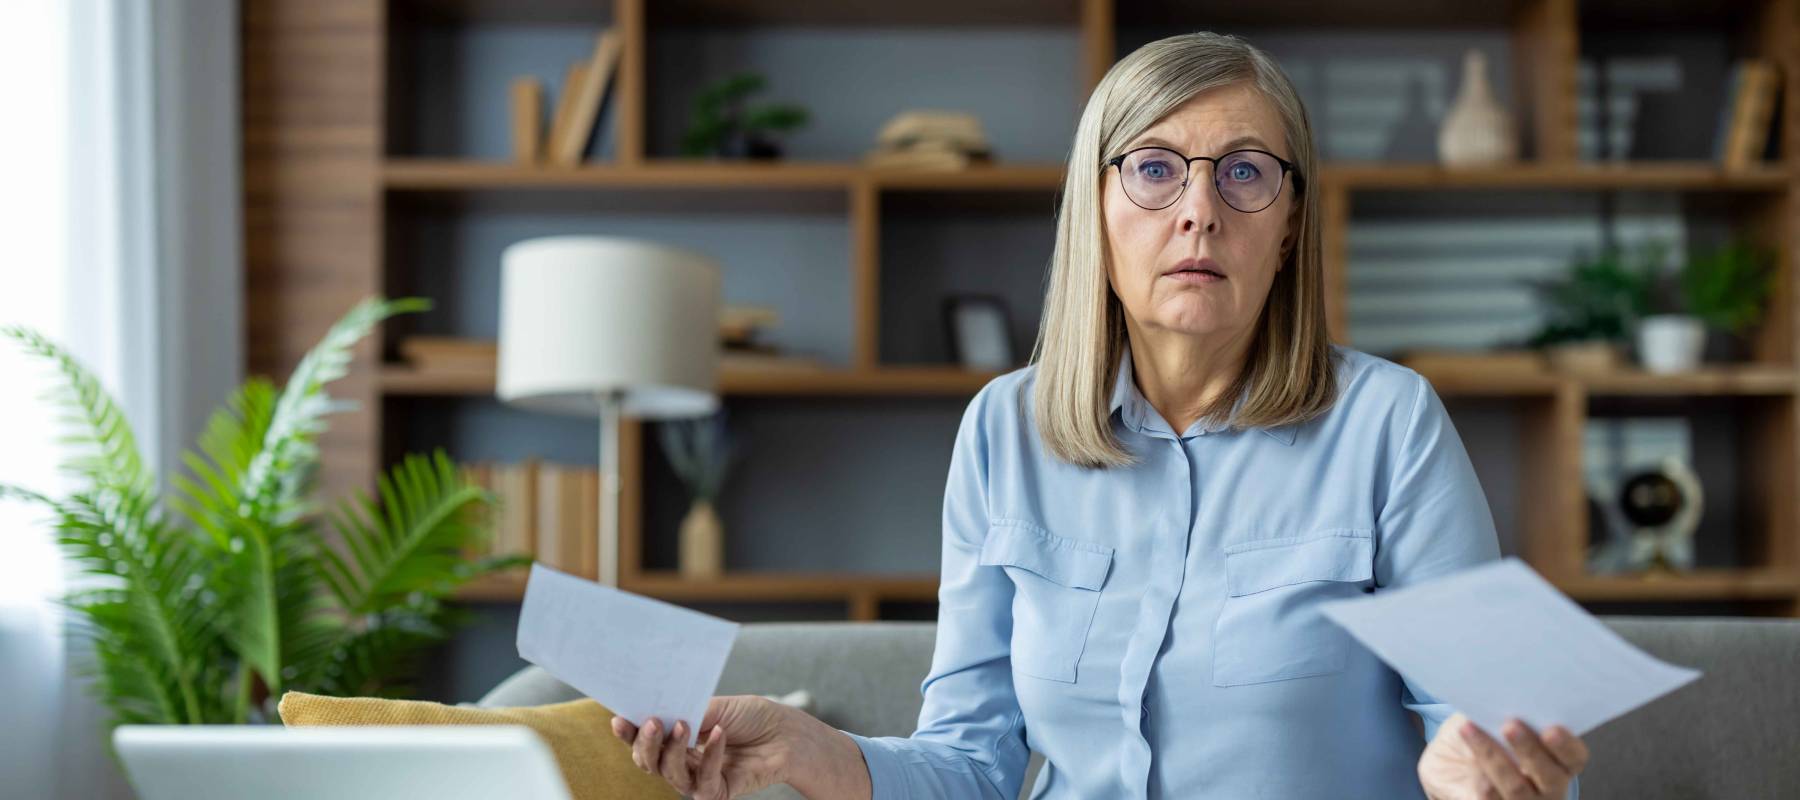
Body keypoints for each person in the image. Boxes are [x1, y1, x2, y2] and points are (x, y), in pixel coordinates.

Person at [610, 31, 1590, 800]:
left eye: (1245, 171)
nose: (1199, 210)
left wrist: (1496, 772)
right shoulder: (1003, 430)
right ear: (1097, 207)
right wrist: (807, 748)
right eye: (1156, 168)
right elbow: (974, 765)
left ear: (1291, 227)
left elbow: (1502, 730)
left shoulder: (1390, 424)